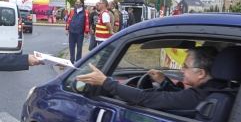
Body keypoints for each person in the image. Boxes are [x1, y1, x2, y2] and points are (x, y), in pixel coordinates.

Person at [76, 47, 225, 110]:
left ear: (201, 73)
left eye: (185, 66)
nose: (181, 70)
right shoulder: (219, 89)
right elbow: (176, 98)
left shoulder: (196, 97)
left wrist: (106, 82)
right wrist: (164, 82)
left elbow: (144, 98)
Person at [65, 0, 90, 64]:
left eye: (78, 2)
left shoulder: (86, 12)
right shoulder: (72, 11)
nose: (76, 3)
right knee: (71, 47)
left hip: (80, 33)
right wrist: (67, 29)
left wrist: (86, 32)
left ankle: (78, 61)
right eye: (76, 2)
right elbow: (69, 20)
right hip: (72, 32)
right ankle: (71, 60)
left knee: (79, 47)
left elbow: (87, 22)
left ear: (81, 4)